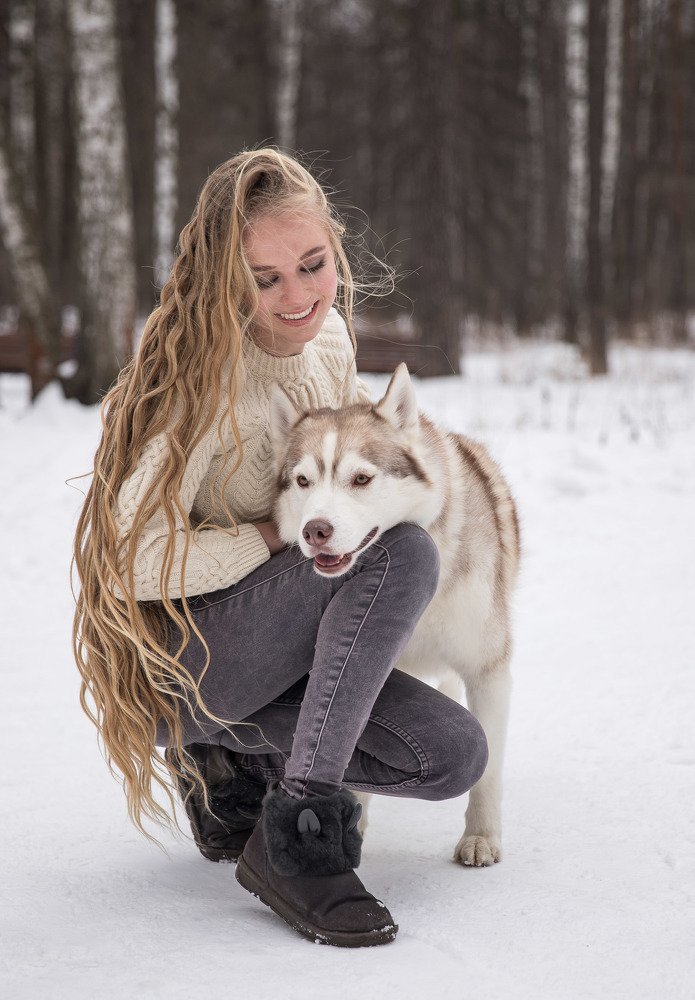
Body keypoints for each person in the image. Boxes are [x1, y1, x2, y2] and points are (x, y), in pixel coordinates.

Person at [72, 148, 489, 948]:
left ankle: (227, 759)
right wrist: (272, 535)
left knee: (449, 755)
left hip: (273, 644)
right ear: (226, 278)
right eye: (264, 279)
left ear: (335, 247)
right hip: (177, 663)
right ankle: (297, 836)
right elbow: (126, 560)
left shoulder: (327, 341)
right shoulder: (198, 383)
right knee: (400, 554)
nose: (296, 297)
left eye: (312, 265)